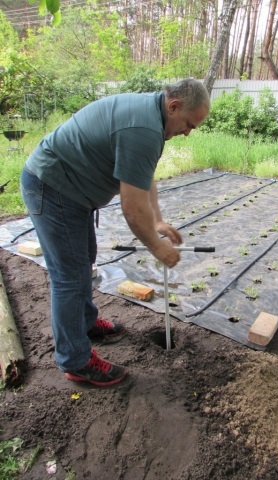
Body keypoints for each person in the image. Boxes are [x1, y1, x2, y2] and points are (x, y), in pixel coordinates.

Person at [20, 78, 210, 387]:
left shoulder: (153, 117)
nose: (188, 132)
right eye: (189, 124)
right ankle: (76, 361)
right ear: (174, 106)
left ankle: (85, 323)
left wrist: (158, 221)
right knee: (69, 276)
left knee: (85, 262)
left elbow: (143, 176)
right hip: (53, 187)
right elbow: (133, 211)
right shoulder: (144, 129)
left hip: (72, 191)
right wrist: (157, 247)